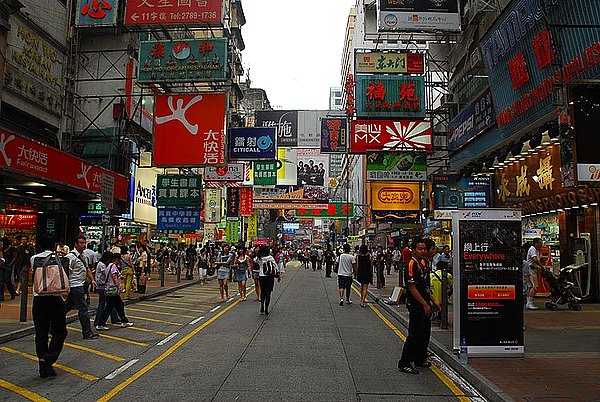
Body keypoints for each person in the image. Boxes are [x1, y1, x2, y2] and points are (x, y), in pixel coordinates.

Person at [398, 238, 440, 374]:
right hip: (416, 305)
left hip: (425, 303)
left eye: (424, 249)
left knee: (424, 332)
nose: (423, 251)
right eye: (420, 249)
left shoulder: (423, 263)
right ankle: (404, 362)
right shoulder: (411, 264)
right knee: (414, 334)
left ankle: (419, 359)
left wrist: (433, 301)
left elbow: (425, 287)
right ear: (413, 250)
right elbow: (412, 287)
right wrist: (424, 304)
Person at [31, 234, 69, 378]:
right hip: (55, 299)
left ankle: (43, 363)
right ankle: (49, 358)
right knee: (60, 331)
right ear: (54, 246)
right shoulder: (62, 260)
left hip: (39, 299)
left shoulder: (34, 259)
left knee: (41, 332)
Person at [65, 235, 98, 339]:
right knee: (83, 309)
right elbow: (65, 272)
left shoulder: (83, 256)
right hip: (74, 286)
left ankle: (51, 328)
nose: (83, 245)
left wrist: (92, 279)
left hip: (80, 285)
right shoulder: (71, 257)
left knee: (64, 308)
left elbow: (87, 268)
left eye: (84, 243)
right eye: (81, 243)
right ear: (76, 244)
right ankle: (87, 332)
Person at [95, 253, 134, 331]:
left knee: (118, 306)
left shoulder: (109, 265)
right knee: (110, 308)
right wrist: (118, 287)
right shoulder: (113, 266)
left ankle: (124, 321)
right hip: (112, 289)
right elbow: (114, 277)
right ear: (117, 259)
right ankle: (100, 324)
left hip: (110, 289)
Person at [94, 251, 120, 328]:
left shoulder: (105, 264)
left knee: (110, 303)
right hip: (102, 286)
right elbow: (107, 274)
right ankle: (98, 321)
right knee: (102, 304)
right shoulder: (101, 265)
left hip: (104, 286)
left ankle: (114, 318)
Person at [254, 246, 279, 315]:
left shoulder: (259, 258)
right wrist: (278, 274)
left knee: (263, 292)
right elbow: (275, 266)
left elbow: (254, 260)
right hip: (269, 277)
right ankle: (266, 309)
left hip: (261, 276)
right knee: (268, 293)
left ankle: (262, 306)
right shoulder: (270, 257)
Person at [526, 238, 545, 310]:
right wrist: (542, 266)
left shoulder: (536, 250)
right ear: (536, 243)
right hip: (531, 270)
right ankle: (529, 303)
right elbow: (535, 259)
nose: (541, 244)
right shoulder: (533, 249)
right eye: (540, 243)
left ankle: (529, 302)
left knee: (532, 287)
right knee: (534, 286)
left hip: (533, 269)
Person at [0, 237, 17, 301]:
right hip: (1, 265)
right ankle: (1, 296)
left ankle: (12, 293)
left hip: (8, 265)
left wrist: (10, 264)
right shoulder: (1, 249)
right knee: (1, 281)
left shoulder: (12, 248)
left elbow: (15, 257)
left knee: (7, 280)